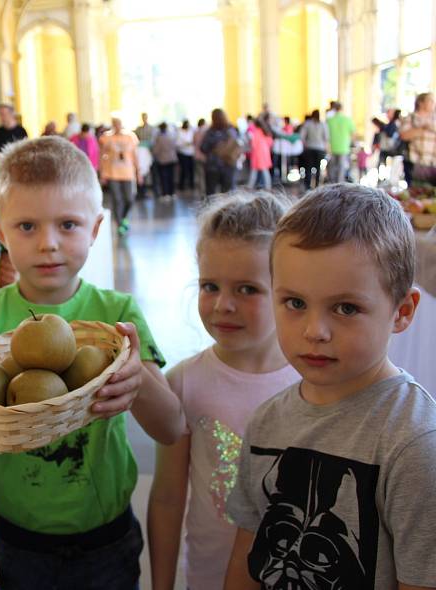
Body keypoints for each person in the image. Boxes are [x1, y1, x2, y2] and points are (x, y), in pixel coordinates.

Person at [0, 136, 185, 590]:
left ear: (96, 228)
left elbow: (170, 427)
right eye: (27, 227)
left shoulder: (117, 314)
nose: (48, 243)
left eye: (68, 224)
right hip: (16, 536)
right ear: (0, 231)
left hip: (106, 535)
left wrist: (136, 380)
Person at [224, 184, 435, 589]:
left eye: (346, 308)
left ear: (402, 311)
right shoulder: (267, 421)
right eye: (295, 303)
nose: (315, 332)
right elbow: (247, 557)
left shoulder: (415, 443)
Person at [148, 191, 299, 590]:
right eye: (209, 285)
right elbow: (167, 498)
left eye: (247, 289)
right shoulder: (183, 382)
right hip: (209, 577)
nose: (223, 305)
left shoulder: (313, 385)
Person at [99, 116, 141, 235]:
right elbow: (102, 156)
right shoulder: (106, 138)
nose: (117, 125)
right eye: (114, 123)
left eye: (119, 123)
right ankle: (119, 223)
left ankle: (124, 218)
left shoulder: (130, 137)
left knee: (129, 199)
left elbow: (135, 155)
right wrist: (102, 172)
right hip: (112, 173)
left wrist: (138, 172)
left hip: (128, 172)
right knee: (117, 199)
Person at [201, 108, 240, 196]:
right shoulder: (231, 130)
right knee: (228, 194)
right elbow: (237, 145)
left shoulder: (210, 132)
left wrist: (214, 146)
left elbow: (203, 148)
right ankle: (228, 210)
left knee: (211, 194)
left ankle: (212, 209)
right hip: (229, 164)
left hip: (213, 166)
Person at [400, 91, 436, 185]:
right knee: (418, 192)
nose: (433, 103)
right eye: (430, 100)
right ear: (420, 102)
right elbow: (404, 135)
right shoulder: (411, 118)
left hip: (433, 163)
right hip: (416, 163)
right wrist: (423, 128)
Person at [325, 101, 355, 183]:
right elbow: (353, 134)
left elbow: (326, 135)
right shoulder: (347, 120)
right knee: (341, 167)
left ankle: (332, 183)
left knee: (332, 167)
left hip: (332, 147)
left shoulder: (329, 120)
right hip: (344, 147)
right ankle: (339, 182)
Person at [299, 109, 329, 190]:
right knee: (318, 168)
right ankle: (317, 186)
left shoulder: (307, 124)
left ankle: (307, 187)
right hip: (320, 149)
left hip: (309, 148)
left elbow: (302, 136)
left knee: (308, 168)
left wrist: (305, 144)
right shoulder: (323, 125)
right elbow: (326, 138)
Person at [152, 121, 178, 198]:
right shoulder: (171, 136)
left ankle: (165, 194)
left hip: (162, 160)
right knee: (171, 177)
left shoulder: (159, 138)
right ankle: (172, 193)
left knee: (164, 178)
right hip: (172, 159)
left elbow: (156, 150)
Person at [246, 118, 273, 189]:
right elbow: (270, 142)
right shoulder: (265, 132)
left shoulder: (256, 132)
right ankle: (268, 186)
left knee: (255, 171)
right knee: (264, 171)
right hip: (265, 154)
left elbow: (253, 144)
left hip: (257, 154)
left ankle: (250, 186)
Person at [176, 119, 195, 191]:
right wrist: (185, 144)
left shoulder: (191, 131)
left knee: (191, 170)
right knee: (184, 170)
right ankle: (181, 185)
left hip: (190, 153)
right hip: (182, 153)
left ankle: (191, 184)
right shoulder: (180, 132)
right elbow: (177, 143)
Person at [193, 118, 209, 195]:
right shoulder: (207, 132)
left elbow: (193, 143)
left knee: (201, 176)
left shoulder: (195, 132)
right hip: (206, 157)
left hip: (197, 156)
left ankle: (202, 192)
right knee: (207, 175)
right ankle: (207, 192)